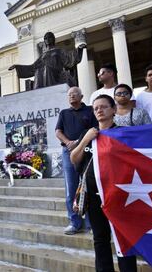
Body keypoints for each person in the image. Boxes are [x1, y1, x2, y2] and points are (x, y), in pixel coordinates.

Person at [70, 95, 137, 272]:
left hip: (119, 195)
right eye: (96, 108)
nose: (99, 110)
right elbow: (74, 159)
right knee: (100, 238)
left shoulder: (123, 133)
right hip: (93, 196)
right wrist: (86, 140)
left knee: (124, 238)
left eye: (104, 107)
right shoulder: (88, 134)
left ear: (113, 110)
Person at [55, 87, 97, 235]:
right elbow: (58, 131)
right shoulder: (64, 113)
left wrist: (79, 142)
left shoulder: (90, 110)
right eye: (69, 95)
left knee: (89, 185)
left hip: (87, 151)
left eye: (75, 94)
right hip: (68, 152)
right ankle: (74, 222)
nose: (72, 96)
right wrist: (68, 143)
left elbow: (95, 129)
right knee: (71, 188)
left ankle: (91, 223)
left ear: (81, 96)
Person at [9, 31, 86, 88]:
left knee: (47, 69)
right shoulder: (43, 55)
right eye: (45, 38)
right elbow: (33, 67)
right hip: (45, 75)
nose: (47, 39)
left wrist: (79, 49)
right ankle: (39, 91)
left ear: (53, 39)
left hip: (57, 74)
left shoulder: (58, 51)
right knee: (38, 70)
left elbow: (69, 58)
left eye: (49, 37)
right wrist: (17, 67)